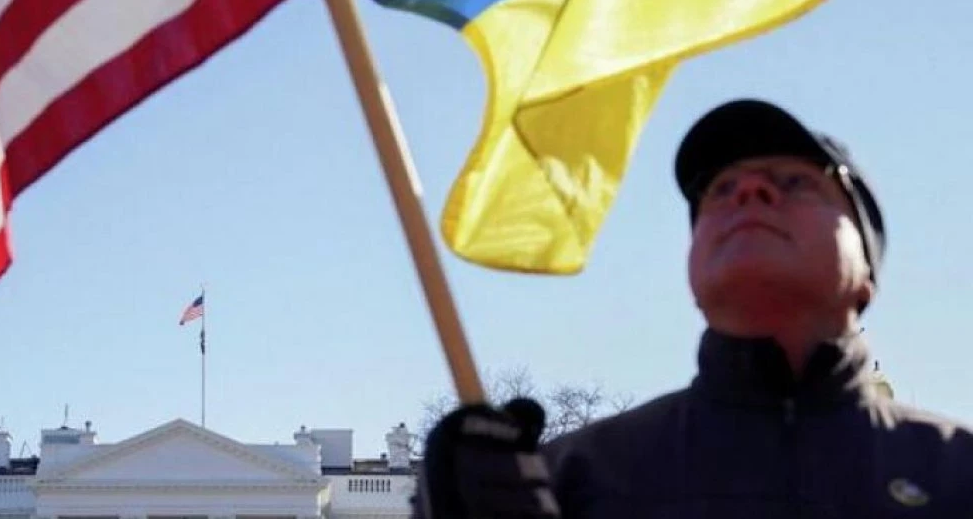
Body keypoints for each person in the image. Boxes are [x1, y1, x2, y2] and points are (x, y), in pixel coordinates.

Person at [414, 99, 973, 518]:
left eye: (797, 183)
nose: (749, 193)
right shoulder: (571, 481)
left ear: (867, 276)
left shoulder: (957, 471)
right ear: (694, 271)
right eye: (720, 191)